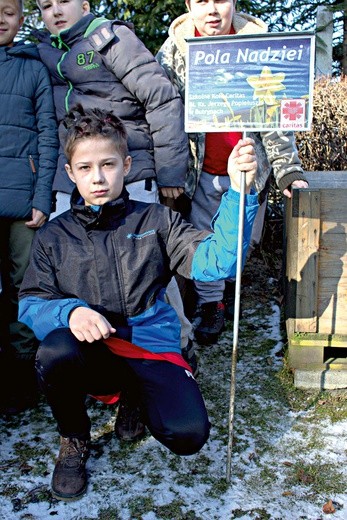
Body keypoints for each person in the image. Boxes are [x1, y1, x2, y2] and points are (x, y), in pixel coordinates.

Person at [18, 105, 258, 501]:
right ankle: (74, 440)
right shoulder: (53, 237)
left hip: (149, 347)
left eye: (108, 164)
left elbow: (219, 259)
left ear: (127, 165)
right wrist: (71, 311)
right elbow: (31, 303)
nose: (98, 177)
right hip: (93, 350)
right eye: (85, 167)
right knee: (54, 351)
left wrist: (237, 191)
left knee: (187, 435)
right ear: (70, 172)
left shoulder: (157, 220)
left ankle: (136, 396)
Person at [33, 0, 195, 437]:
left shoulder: (110, 38)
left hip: (129, 170)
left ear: (84, 4)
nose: (54, 11)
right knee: (88, 278)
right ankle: (104, 372)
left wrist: (169, 173)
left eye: (62, 1)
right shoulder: (47, 48)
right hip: (75, 181)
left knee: (149, 274)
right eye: (44, 5)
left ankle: (174, 354)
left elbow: (159, 96)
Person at [156, 0, 309, 346]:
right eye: (201, 1)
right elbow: (162, 112)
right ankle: (213, 303)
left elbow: (277, 116)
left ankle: (222, 285)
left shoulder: (258, 46)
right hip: (201, 171)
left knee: (242, 238)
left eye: (220, 0)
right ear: (188, 5)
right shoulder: (174, 53)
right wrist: (169, 170)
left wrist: (287, 170)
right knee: (205, 237)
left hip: (247, 169)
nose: (211, 10)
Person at [0, 0, 58, 413]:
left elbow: (48, 136)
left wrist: (42, 198)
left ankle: (23, 374)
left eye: (7, 11)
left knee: (24, 286)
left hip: (24, 204)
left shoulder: (32, 66)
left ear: (21, 19)